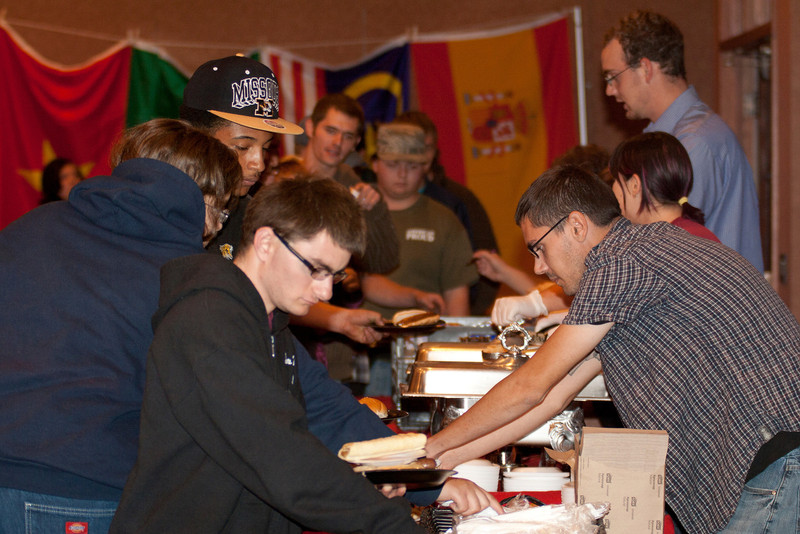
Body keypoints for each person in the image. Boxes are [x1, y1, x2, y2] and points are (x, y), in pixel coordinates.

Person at [109, 178, 500, 533]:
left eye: (336, 275)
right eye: (316, 269)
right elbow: (282, 459)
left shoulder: (267, 322)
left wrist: (426, 482)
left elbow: (331, 412)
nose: (326, 292)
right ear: (265, 243)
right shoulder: (208, 322)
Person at [425, 165, 800, 533]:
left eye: (539, 249)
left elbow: (530, 386)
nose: (539, 268)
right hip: (772, 454)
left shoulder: (619, 263)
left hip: (772, 455)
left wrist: (430, 447)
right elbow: (552, 398)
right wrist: (441, 461)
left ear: (576, 225)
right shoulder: (641, 255)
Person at [0, 119, 241, 533]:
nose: (218, 228)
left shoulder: (32, 225)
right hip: (83, 486)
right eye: (220, 209)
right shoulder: (184, 270)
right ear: (196, 196)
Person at [490, 133, 721, 326]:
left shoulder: (657, 247)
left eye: (615, 183)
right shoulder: (688, 233)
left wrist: (547, 309)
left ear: (633, 185)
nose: (612, 193)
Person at [601, 10, 764, 271]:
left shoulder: (694, 142)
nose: (610, 90)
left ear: (645, 68)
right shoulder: (679, 137)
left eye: (612, 77)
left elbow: (664, 253)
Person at [180, 54, 304, 261]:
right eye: (242, 147)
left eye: (266, 148)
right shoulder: (154, 208)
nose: (260, 164)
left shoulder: (253, 219)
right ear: (196, 139)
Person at [395, 110, 501, 315]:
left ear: (435, 150)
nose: (421, 157)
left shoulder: (458, 200)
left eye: (426, 148)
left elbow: (488, 263)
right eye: (412, 148)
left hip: (446, 321)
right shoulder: (371, 198)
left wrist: (467, 321)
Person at [610, 131, 719, 242]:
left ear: (634, 185)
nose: (612, 188)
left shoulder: (657, 246)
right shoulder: (702, 234)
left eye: (616, 179)